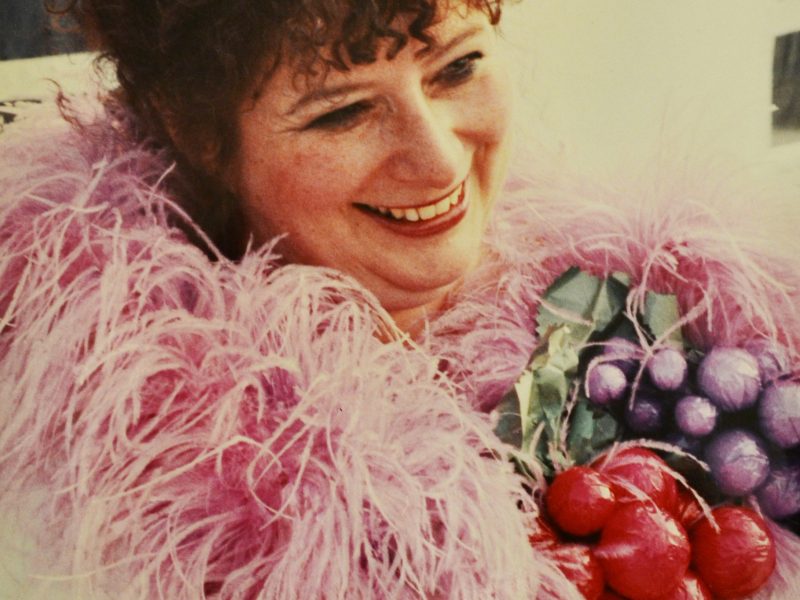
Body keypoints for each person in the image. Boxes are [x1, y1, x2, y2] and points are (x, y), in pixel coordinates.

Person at [1, 1, 799, 598]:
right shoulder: (108, 514)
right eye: (344, 110)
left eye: (458, 68)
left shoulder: (664, 324)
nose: (438, 160)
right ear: (199, 134)